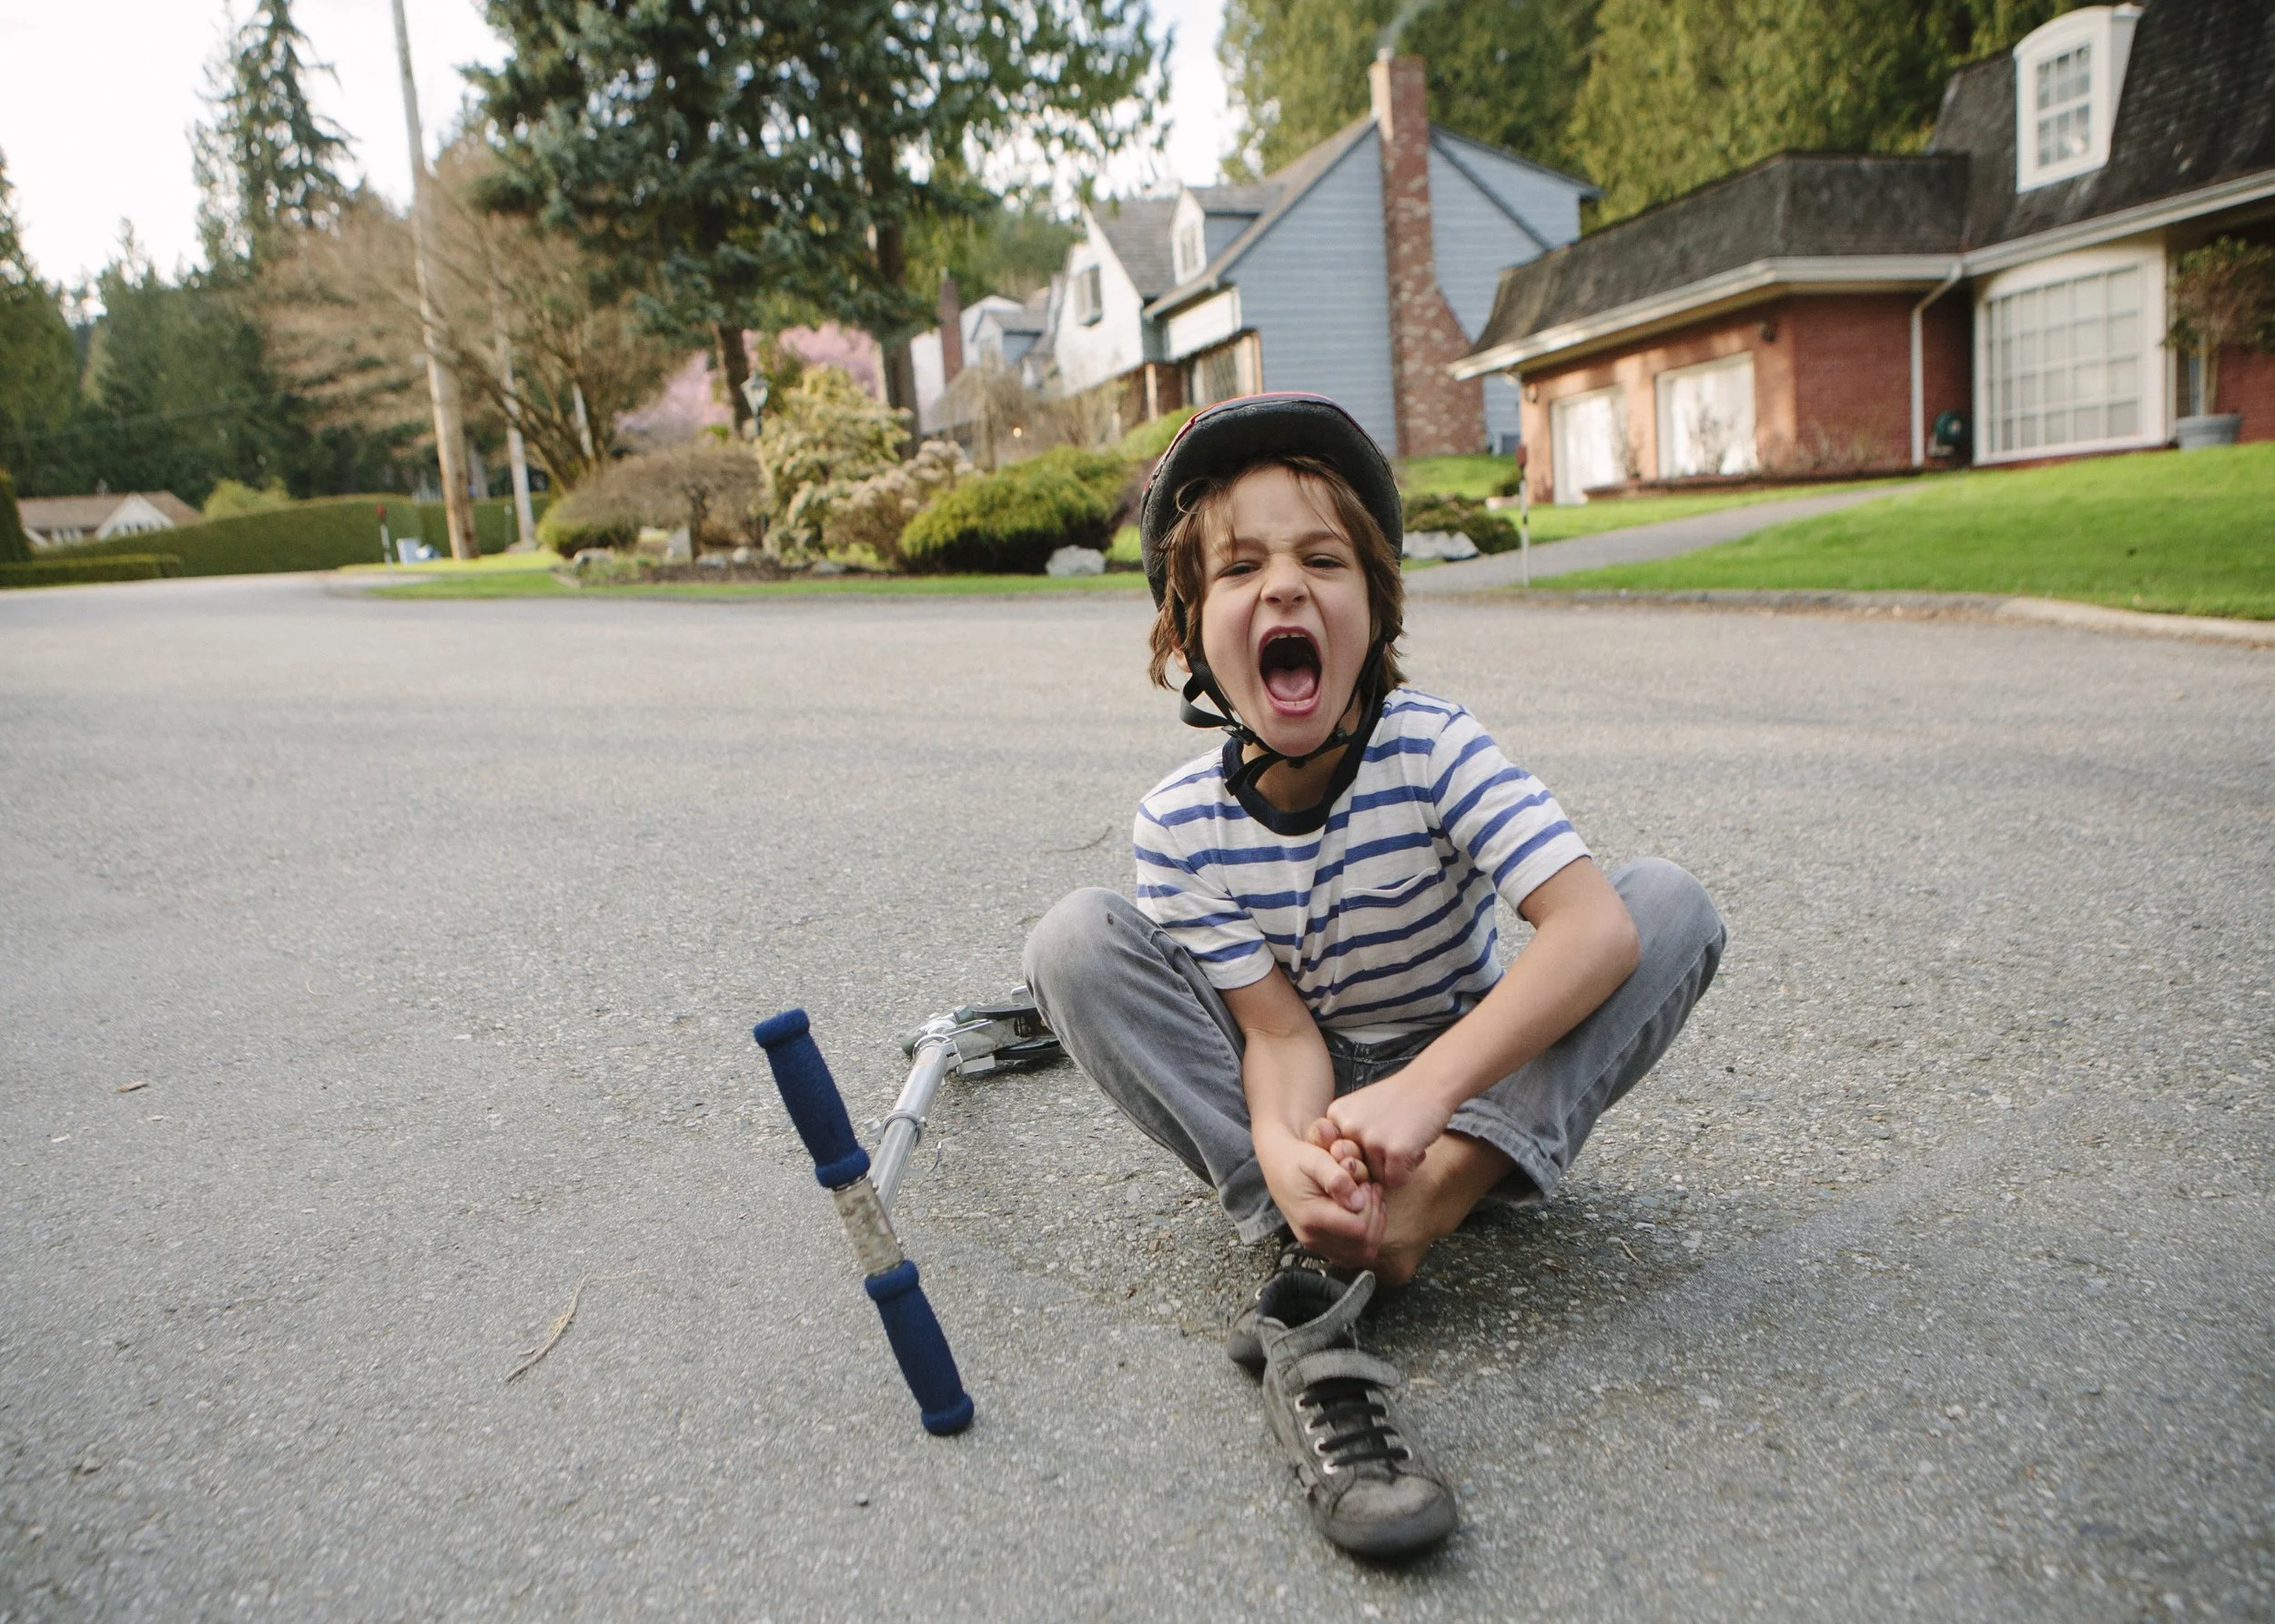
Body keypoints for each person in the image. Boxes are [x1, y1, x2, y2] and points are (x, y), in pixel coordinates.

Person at [1022, 395, 1725, 1559]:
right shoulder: (1178, 826)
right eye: (1239, 566)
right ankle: (1311, 1209)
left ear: (1374, 609)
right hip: (1312, 1083)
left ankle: (1424, 1201)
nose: (1284, 587)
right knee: (1072, 941)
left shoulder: (1433, 745)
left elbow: (1592, 931)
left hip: (1468, 1092)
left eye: (1322, 558)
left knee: (1668, 904)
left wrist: (1426, 1099)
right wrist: (1292, 1148)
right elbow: (1282, 1039)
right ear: (1189, 633)